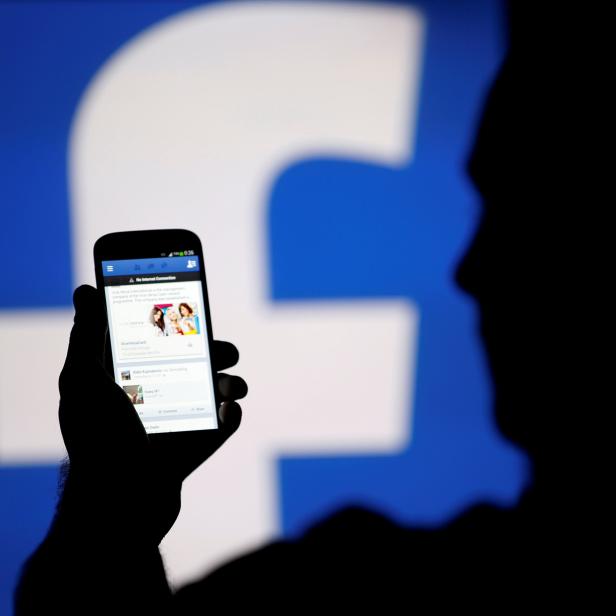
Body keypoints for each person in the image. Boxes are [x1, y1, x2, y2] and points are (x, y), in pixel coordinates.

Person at [15, 6, 591, 614]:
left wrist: (105, 512)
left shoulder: (348, 590)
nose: (468, 270)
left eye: (519, 213)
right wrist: (116, 504)